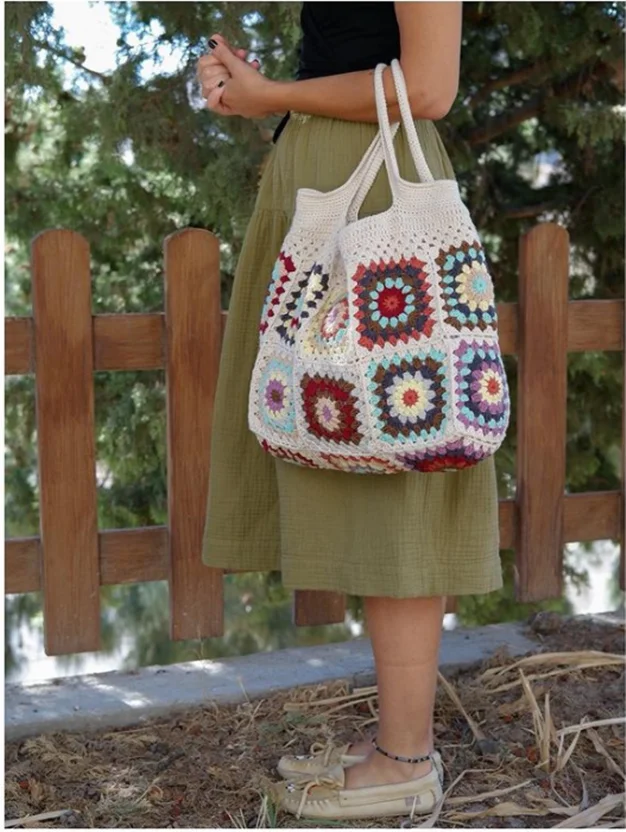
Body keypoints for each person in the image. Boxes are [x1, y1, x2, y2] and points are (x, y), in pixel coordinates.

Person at [197, 2, 503, 821]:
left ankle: (407, 757)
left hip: (369, 187)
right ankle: (394, 744)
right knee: (366, 454)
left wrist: (274, 93)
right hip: (329, 175)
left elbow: (430, 85)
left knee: (400, 452)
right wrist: (260, 93)